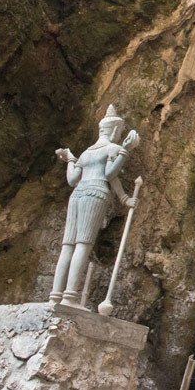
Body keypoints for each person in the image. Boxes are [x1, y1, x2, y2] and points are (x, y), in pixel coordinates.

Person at [50, 104, 139, 307]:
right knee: (82, 244)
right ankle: (70, 297)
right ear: (116, 130)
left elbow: (72, 179)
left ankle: (55, 295)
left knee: (68, 245)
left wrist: (70, 159)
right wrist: (125, 151)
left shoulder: (86, 153)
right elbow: (109, 174)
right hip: (96, 194)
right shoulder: (114, 148)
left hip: (77, 194)